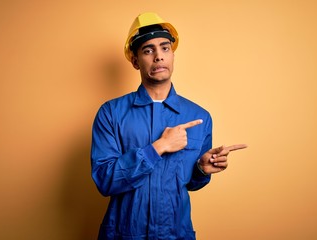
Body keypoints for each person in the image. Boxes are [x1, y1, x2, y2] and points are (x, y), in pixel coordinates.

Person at [91, 12, 247, 240]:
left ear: (173, 55)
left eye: (165, 48)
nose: (158, 57)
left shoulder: (199, 116)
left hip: (175, 234)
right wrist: (157, 148)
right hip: (123, 234)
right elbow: (105, 181)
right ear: (135, 61)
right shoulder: (111, 113)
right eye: (148, 50)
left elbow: (188, 184)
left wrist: (202, 169)